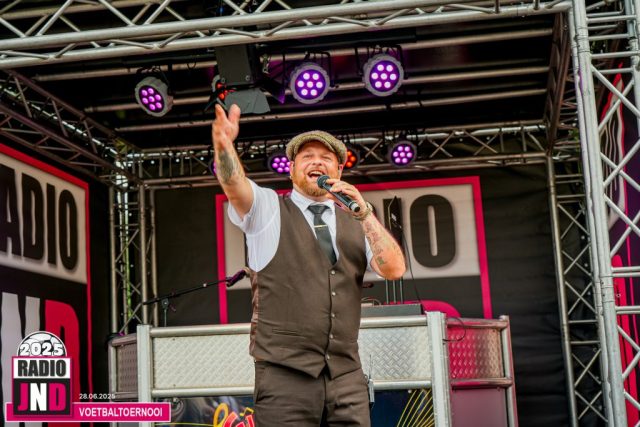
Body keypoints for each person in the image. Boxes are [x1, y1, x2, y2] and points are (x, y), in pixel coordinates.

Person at [212, 103, 406, 427]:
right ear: (291, 170)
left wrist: (365, 214)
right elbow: (236, 187)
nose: (317, 161)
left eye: (326, 157)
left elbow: (394, 269)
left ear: (338, 171)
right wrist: (223, 146)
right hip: (285, 378)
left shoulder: (356, 220)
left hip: (347, 378)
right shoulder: (269, 210)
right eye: (307, 156)